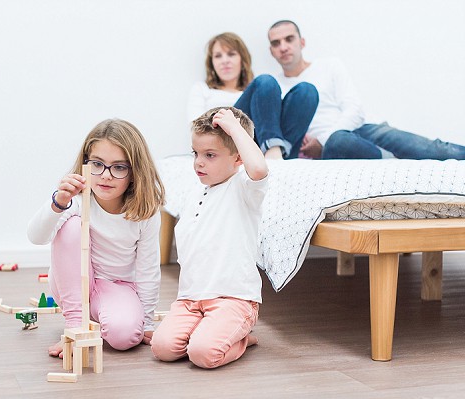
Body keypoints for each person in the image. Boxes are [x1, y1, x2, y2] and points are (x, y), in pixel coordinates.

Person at [27, 119, 165, 354]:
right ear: (85, 164)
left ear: (135, 172)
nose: (106, 176)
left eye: (119, 167)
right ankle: (75, 323)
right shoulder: (77, 200)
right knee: (70, 226)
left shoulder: (145, 212)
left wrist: (147, 322)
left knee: (125, 338)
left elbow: (148, 270)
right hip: (74, 285)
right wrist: (58, 202)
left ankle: (100, 315)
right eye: (97, 165)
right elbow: (36, 237)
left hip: (117, 288)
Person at [151, 107, 266, 369]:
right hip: (191, 299)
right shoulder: (195, 193)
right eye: (196, 153)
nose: (198, 162)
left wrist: (235, 129)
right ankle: (208, 329)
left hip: (232, 298)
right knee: (162, 348)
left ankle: (243, 339)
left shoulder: (244, 189)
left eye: (210, 155)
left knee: (203, 354)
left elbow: (258, 168)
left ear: (237, 158)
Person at [266, 20, 465, 160]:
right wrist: (324, 144)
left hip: (363, 128)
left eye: (289, 39)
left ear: (302, 42)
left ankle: (390, 155)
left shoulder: (329, 65)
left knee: (436, 150)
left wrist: (323, 140)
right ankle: (389, 160)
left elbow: (354, 109)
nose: (283, 47)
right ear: (271, 51)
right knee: (339, 142)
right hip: (336, 147)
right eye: (276, 43)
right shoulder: (273, 86)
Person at [187, 32, 318, 160]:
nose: (225, 61)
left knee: (307, 91)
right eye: (218, 56)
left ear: (242, 59)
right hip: (229, 143)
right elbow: (197, 130)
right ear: (212, 63)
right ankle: (271, 150)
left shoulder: (261, 92)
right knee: (266, 81)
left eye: (231, 54)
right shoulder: (203, 89)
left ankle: (277, 151)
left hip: (266, 143)